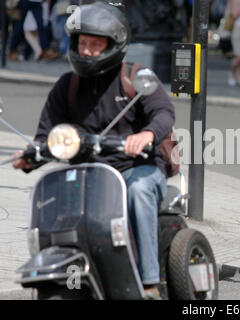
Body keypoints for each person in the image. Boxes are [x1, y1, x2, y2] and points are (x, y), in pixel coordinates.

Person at [12, 2, 175, 300]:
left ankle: (149, 283)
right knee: (56, 206)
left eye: (95, 44)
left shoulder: (136, 77)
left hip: (135, 167)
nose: (86, 50)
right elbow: (46, 134)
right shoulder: (67, 84)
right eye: (82, 43)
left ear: (114, 44)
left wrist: (146, 134)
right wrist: (31, 156)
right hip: (86, 174)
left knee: (138, 192)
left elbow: (163, 112)